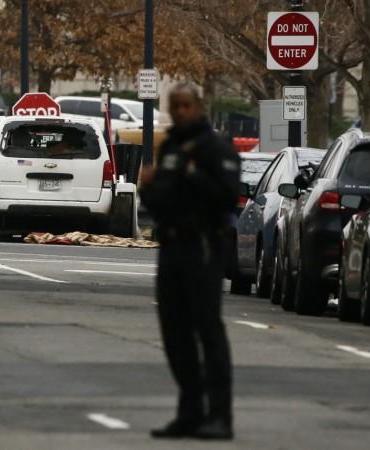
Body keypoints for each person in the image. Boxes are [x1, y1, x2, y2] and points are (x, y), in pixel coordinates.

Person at [141, 84, 240, 440]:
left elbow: (228, 197)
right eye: (175, 106)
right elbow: (158, 202)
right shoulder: (169, 148)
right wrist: (146, 189)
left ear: (199, 107)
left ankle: (219, 415)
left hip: (203, 246)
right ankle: (190, 411)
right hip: (171, 247)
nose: (180, 112)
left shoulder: (215, 149)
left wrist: (194, 175)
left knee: (207, 330)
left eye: (186, 105)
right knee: (174, 333)